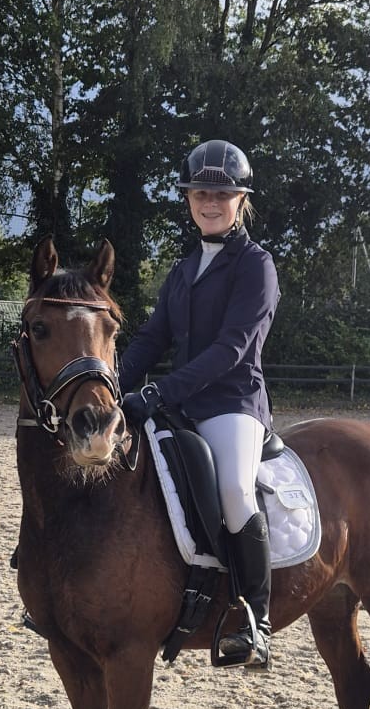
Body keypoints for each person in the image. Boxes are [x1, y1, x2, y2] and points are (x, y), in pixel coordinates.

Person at [119, 141, 280, 668]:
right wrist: (112, 382)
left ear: (240, 200)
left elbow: (232, 349)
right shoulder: (184, 268)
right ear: (189, 199)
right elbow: (151, 337)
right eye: (200, 193)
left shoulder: (256, 266)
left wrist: (159, 392)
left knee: (234, 488)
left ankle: (256, 621)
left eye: (222, 193)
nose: (210, 202)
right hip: (182, 404)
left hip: (233, 403)